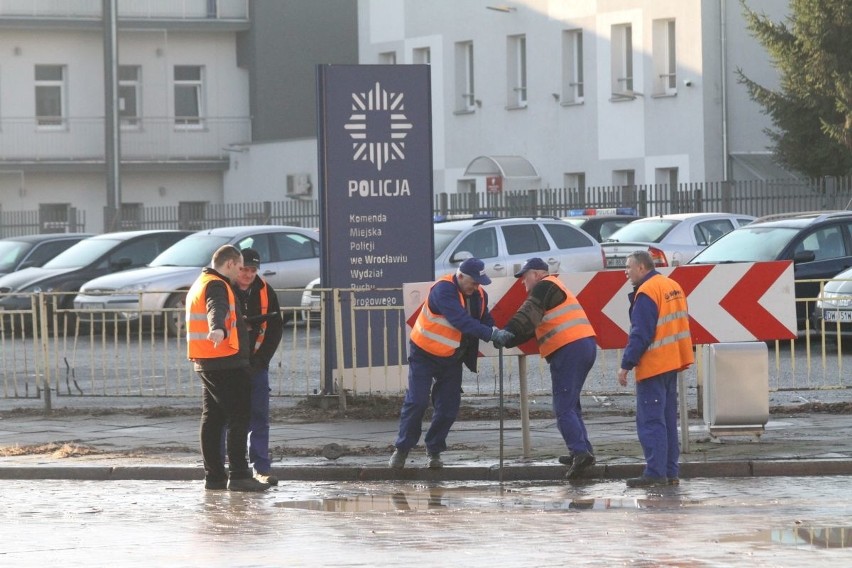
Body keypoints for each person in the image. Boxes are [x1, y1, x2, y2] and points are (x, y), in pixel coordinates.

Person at [389, 258, 500, 469]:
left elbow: (484, 318)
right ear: (460, 276)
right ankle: (402, 450)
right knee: (417, 402)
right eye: (473, 282)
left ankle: (434, 451)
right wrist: (491, 335)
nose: (476, 287)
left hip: (451, 357)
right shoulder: (443, 290)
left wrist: (494, 330)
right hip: (423, 354)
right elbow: (461, 320)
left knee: (448, 408)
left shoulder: (479, 296)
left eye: (479, 283)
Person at [494, 257, 597, 480]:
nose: (522, 282)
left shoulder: (545, 286)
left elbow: (527, 313)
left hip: (569, 348)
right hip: (582, 345)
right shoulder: (554, 289)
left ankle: (580, 454)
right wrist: (510, 338)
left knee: (563, 408)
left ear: (537, 274)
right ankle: (582, 450)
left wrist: (507, 331)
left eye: (525, 276)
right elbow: (530, 327)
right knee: (571, 405)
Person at [186, 244, 269, 492]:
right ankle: (240, 474)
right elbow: (216, 308)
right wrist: (219, 328)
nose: (241, 271)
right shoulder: (217, 285)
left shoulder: (200, 281)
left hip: (207, 360)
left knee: (212, 418)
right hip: (225, 361)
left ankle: (214, 477)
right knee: (238, 417)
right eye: (240, 266)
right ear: (230, 263)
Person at [617, 250, 694, 488]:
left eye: (628, 267)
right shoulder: (672, 285)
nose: (626, 272)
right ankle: (670, 472)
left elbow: (640, 333)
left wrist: (625, 365)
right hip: (673, 362)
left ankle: (655, 472)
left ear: (642, 267)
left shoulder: (647, 292)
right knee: (668, 421)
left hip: (654, 364)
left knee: (651, 422)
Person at [233, 247, 284, 486]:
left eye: (252, 270)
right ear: (235, 267)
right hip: (228, 365)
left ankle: (261, 468)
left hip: (255, 364)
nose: (247, 274)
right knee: (226, 417)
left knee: (259, 416)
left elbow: (275, 329)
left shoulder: (265, 291)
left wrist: (261, 360)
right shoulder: (224, 288)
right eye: (244, 269)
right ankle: (226, 467)